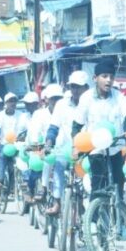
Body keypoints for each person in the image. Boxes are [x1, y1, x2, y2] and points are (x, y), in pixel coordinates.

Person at [73, 59, 126, 201]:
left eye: (111, 77)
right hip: (95, 149)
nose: (109, 80)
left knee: (118, 183)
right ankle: (93, 221)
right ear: (95, 78)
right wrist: (75, 146)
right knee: (98, 185)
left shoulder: (119, 96)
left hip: (115, 148)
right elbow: (77, 125)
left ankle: (119, 218)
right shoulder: (86, 98)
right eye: (104, 76)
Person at [45, 71, 89, 215]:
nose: (75, 90)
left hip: (86, 149)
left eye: (78, 87)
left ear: (86, 88)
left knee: (88, 179)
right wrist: (48, 142)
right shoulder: (61, 105)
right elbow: (53, 127)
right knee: (58, 165)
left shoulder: (90, 103)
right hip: (65, 149)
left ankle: (88, 207)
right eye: (73, 87)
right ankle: (57, 202)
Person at [26, 84, 63, 204]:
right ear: (47, 99)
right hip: (41, 147)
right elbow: (35, 133)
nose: (56, 102)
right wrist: (38, 148)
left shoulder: (66, 112)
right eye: (53, 98)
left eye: (59, 98)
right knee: (38, 167)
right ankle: (38, 188)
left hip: (62, 149)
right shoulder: (39, 114)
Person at [0, 93, 28, 196]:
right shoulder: (0, 115)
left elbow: (26, 129)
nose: (13, 103)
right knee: (2, 156)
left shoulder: (21, 115)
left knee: (24, 157)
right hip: (5, 143)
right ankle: (0, 179)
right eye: (10, 101)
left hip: (18, 143)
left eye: (14, 101)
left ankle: (24, 180)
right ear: (6, 103)